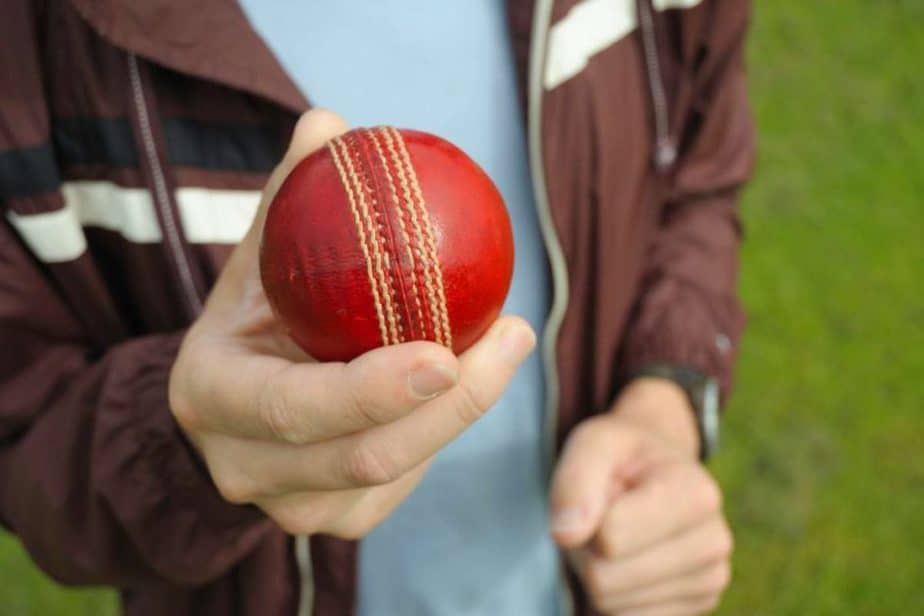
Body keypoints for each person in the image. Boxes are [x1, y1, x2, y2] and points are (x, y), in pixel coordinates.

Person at [0, 0, 754, 614]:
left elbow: (696, 173)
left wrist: (661, 403)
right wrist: (182, 444)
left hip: (561, 575)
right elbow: (21, 427)